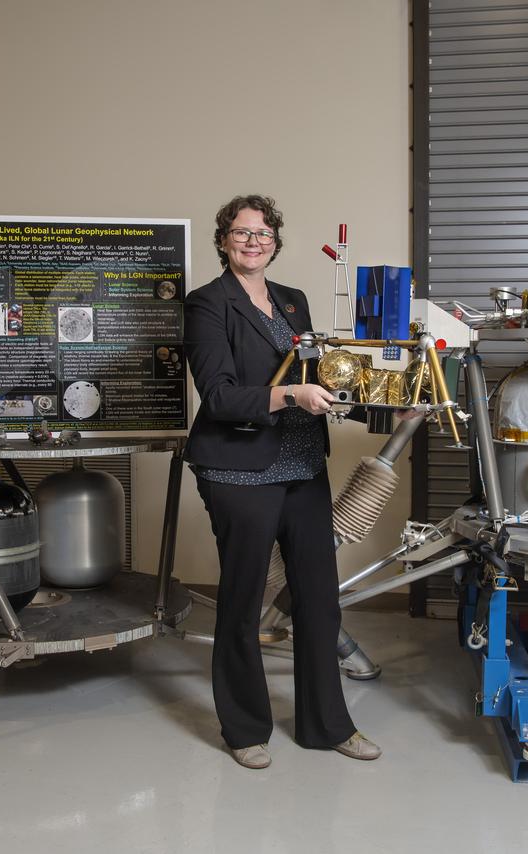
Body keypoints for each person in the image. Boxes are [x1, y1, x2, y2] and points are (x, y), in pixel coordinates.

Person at [183, 194, 381, 769]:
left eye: (263, 233)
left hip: (302, 465)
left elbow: (319, 371)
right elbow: (218, 395)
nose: (253, 241)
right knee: (243, 602)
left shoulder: (293, 301)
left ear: (275, 241)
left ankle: (328, 726)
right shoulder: (207, 304)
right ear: (224, 241)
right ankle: (245, 729)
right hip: (238, 467)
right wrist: (290, 394)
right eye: (241, 233)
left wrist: (377, 394)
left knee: (320, 600)